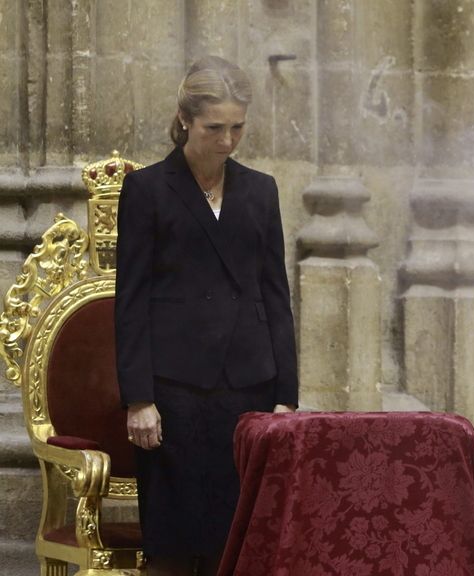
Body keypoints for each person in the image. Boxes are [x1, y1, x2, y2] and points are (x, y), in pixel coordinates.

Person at [115, 56, 298, 576]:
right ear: (185, 120)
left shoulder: (261, 191)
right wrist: (139, 398)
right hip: (173, 392)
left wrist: (286, 395)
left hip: (248, 386)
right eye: (214, 127)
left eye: (237, 127)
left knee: (238, 543)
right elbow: (130, 299)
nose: (227, 139)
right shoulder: (148, 190)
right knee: (173, 546)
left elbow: (274, 295)